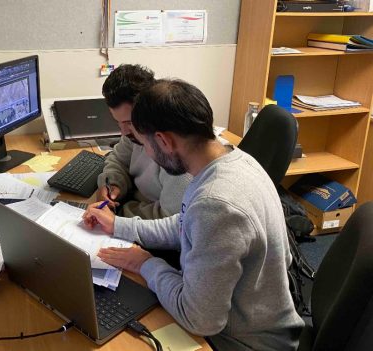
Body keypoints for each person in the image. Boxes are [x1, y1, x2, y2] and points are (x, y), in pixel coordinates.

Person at [83, 79, 304, 350]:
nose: (148, 154)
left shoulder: (216, 203)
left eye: (146, 144)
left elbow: (199, 320)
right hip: (243, 318)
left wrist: (146, 264)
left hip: (240, 341)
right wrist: (119, 225)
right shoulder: (234, 162)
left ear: (163, 141)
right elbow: (185, 223)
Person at [97, 64, 190, 219]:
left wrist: (119, 214)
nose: (124, 132)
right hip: (134, 212)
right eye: (118, 122)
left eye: (129, 122)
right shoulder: (133, 136)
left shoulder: (174, 152)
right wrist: (113, 184)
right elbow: (118, 159)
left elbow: (169, 220)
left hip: (148, 228)